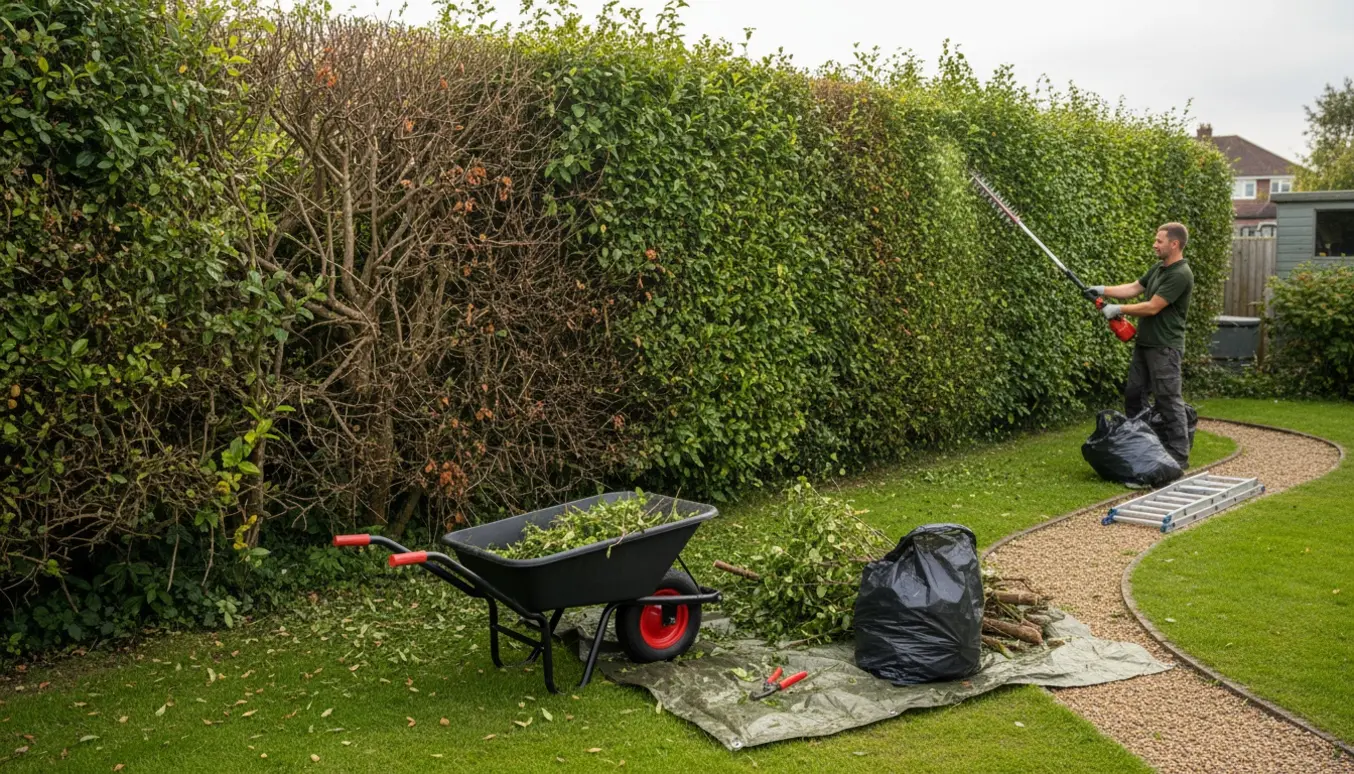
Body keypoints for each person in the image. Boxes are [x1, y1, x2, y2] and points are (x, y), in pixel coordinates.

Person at [1090, 222, 1195, 466]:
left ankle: (1179, 455)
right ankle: (1142, 447)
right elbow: (1135, 288)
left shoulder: (1181, 274)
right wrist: (1103, 290)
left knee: (1168, 399)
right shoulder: (1159, 268)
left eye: (1159, 241)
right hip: (1145, 344)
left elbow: (1152, 306)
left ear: (1174, 244)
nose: (1154, 244)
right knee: (1134, 395)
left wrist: (1117, 308)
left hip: (1165, 347)